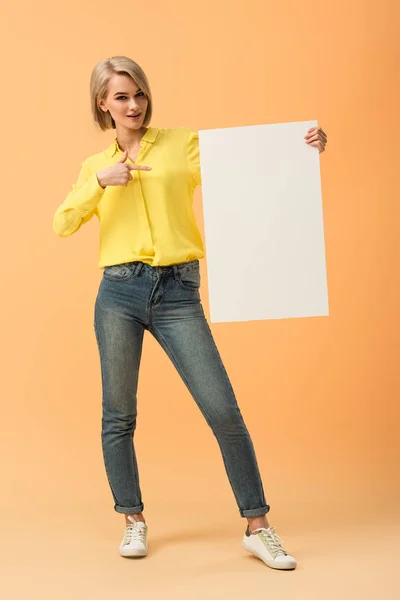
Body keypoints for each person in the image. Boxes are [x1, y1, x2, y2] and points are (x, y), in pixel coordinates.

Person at [53, 55, 327, 570]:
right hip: (118, 293)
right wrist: (101, 182)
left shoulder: (182, 143)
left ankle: (258, 526)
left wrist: (301, 147)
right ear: (102, 103)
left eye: (139, 94)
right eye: (121, 97)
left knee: (223, 409)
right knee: (119, 414)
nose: (134, 105)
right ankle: (132, 520)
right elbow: (62, 223)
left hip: (178, 291)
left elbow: (245, 168)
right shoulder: (96, 166)